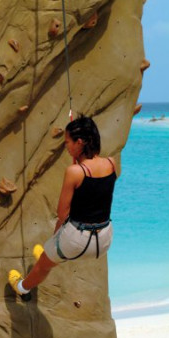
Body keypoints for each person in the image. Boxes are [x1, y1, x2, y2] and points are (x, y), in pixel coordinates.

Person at [9, 116, 117, 296]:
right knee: (60, 243)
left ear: (79, 142)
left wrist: (56, 237)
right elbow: (97, 191)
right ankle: (55, 250)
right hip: (104, 240)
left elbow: (62, 213)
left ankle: (22, 288)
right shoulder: (112, 163)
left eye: (68, 142)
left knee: (43, 264)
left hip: (78, 242)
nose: (66, 146)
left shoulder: (74, 172)